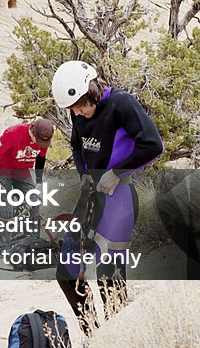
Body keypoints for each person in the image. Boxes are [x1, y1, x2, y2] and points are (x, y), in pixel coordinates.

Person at [50, 60, 163, 333]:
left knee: (108, 276)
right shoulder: (79, 113)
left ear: (92, 91)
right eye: (72, 109)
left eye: (80, 105)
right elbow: (77, 147)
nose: (77, 113)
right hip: (91, 197)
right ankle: (94, 334)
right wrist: (83, 174)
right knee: (66, 271)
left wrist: (117, 172)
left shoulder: (122, 104)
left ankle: (120, 336)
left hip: (120, 196)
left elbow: (153, 145)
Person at [0, 118, 55, 231]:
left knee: (33, 203)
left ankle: (31, 239)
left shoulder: (44, 138)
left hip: (22, 170)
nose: (40, 144)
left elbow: (41, 158)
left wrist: (39, 181)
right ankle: (3, 246)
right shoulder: (13, 133)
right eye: (37, 140)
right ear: (32, 131)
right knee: (6, 208)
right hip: (3, 169)